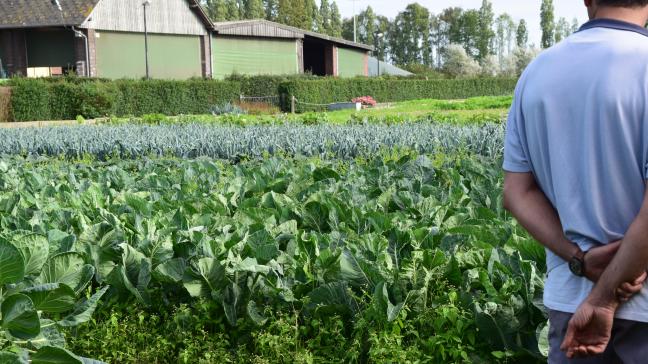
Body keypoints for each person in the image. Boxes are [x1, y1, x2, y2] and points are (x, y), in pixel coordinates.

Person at [502, 0, 648, 362]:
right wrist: (606, 298)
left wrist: (580, 260)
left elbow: (517, 192)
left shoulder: (537, 72)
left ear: (587, 0)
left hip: (572, 307)